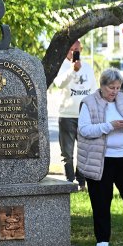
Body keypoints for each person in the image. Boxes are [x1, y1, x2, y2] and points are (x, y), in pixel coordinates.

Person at [77, 68, 123, 246]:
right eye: (111, 88)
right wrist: (109, 126)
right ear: (101, 86)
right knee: (101, 200)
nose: (115, 92)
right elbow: (84, 130)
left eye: (118, 88)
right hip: (101, 160)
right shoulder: (88, 102)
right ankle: (102, 239)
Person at [53, 41, 95, 187]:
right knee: (67, 153)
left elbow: (93, 90)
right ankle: (70, 182)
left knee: (84, 150)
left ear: (81, 49)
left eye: (75, 50)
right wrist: (72, 70)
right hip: (67, 114)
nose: (72, 52)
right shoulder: (62, 66)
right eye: (70, 50)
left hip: (84, 115)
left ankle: (81, 182)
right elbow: (59, 84)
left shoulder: (88, 68)